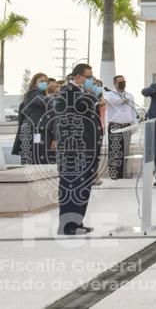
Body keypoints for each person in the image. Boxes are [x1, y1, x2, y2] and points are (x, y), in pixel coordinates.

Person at [53, 63, 101, 235]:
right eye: (88, 77)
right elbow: (81, 108)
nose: (91, 80)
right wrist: (92, 95)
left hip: (86, 149)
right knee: (72, 187)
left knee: (83, 187)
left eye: (92, 77)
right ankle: (67, 226)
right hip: (72, 151)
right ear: (78, 76)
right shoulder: (67, 93)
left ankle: (77, 222)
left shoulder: (82, 93)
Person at [103, 75, 138, 179]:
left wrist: (134, 124)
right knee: (115, 150)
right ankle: (114, 173)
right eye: (120, 82)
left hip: (127, 126)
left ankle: (124, 173)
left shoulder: (129, 95)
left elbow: (133, 111)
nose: (122, 83)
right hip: (115, 126)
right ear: (115, 83)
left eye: (124, 81)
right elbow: (112, 101)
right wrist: (122, 100)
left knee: (126, 151)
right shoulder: (109, 94)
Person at [13, 72, 49, 167]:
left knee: (35, 156)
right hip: (31, 130)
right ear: (34, 83)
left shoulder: (40, 94)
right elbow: (45, 102)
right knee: (31, 157)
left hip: (34, 130)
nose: (44, 83)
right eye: (41, 81)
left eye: (46, 81)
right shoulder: (33, 93)